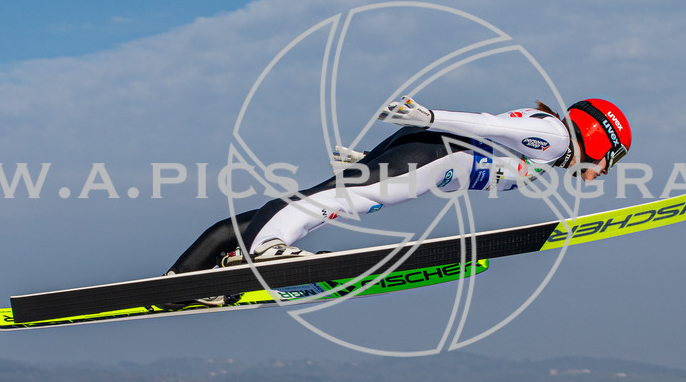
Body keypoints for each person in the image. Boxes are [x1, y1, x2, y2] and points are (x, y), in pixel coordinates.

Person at [166, 96, 632, 292]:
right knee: (336, 202)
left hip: (424, 159)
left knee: (327, 199)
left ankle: (185, 277)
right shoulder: (552, 136)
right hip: (428, 154)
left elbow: (476, 160)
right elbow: (484, 125)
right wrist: (430, 117)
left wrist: (369, 158)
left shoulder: (544, 154)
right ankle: (266, 251)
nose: (599, 175)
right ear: (596, 139)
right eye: (608, 161)